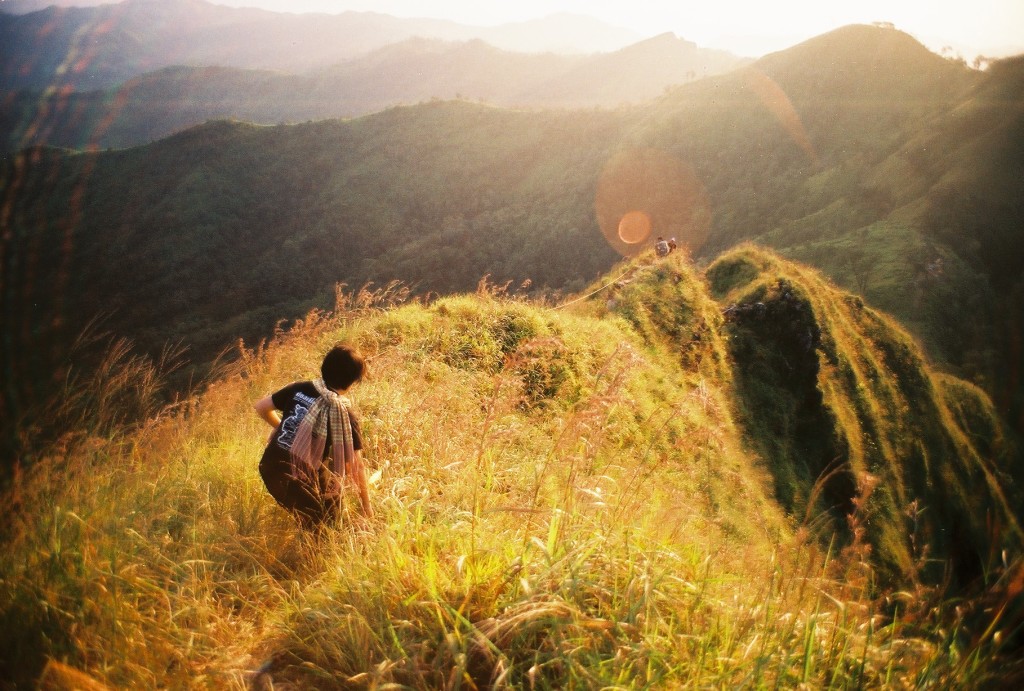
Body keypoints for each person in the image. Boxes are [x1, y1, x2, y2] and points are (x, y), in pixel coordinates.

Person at [254, 343, 373, 528]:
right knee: (325, 526)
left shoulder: (299, 388)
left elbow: (261, 407)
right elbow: (356, 466)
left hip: (270, 465)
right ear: (352, 382)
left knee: (325, 501)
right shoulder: (343, 414)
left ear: (324, 367)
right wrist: (367, 508)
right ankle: (313, 550)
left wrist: (286, 429)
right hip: (295, 475)